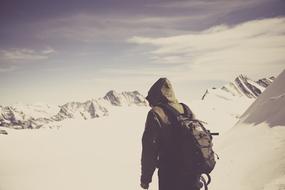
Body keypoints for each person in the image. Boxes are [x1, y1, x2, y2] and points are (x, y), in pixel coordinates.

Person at [140, 78, 201, 190]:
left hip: (170, 177)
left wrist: (145, 179)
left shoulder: (155, 113)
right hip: (193, 175)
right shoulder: (186, 109)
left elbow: (149, 150)